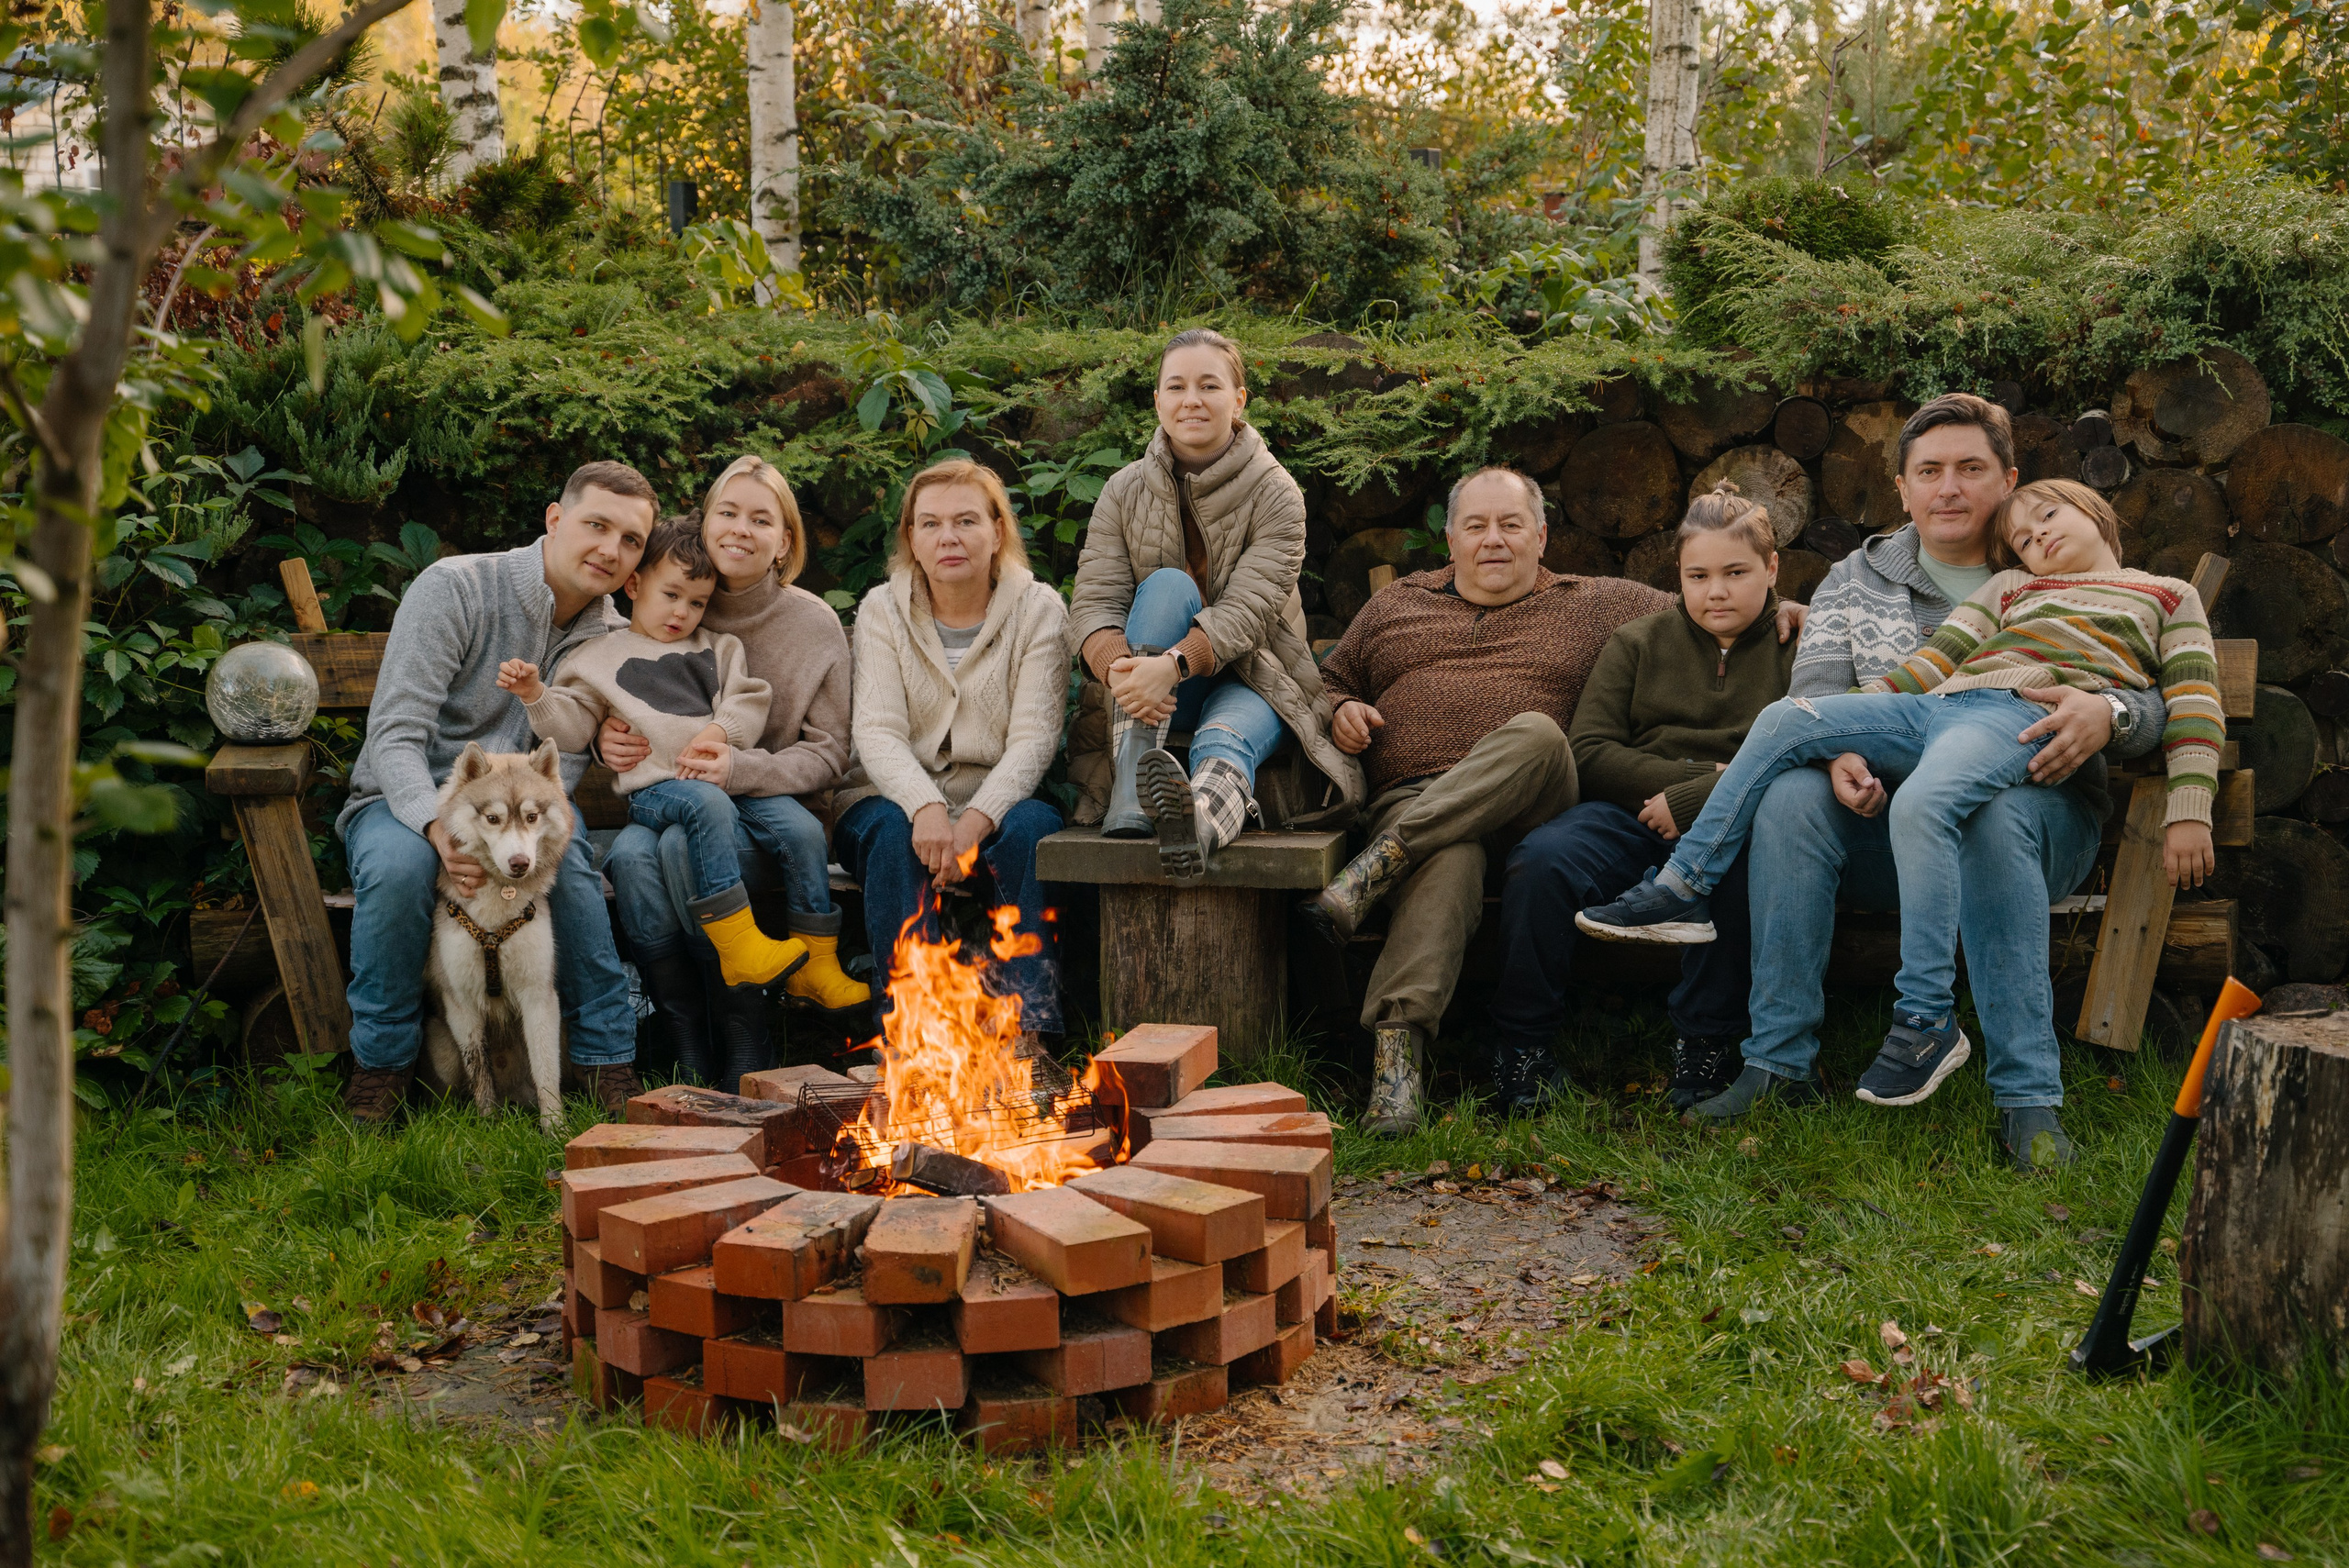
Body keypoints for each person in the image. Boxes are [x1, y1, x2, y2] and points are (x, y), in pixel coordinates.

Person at [1625, 394, 2169, 1170]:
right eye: (1930, 471)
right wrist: (1833, 758)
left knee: (1996, 815)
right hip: (1884, 823)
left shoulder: (2053, 559)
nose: (1949, 488)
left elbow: (2154, 696)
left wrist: (2107, 712)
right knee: (1789, 795)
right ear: (1903, 488)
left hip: (2036, 819)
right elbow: (1811, 695)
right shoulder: (1855, 577)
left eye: (1971, 469)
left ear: (2008, 480)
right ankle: (1777, 1061)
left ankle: (2028, 1100)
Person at [1304, 467, 1804, 1132]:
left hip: (1535, 796)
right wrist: (1338, 705)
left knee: (1540, 734)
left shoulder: (1597, 602)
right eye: (1476, 525)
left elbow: (1717, 585)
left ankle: (1377, 866)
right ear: (1448, 538)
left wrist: (1797, 609)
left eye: (1511, 524)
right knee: (1449, 860)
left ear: (1541, 537)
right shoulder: (1396, 604)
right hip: (1426, 802)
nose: (1493, 540)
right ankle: (1398, 1066)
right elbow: (1330, 674)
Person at [337, 460, 656, 1124]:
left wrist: (615, 741)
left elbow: (566, 764)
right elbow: (394, 736)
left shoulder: (612, 640)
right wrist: (437, 825)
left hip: (529, 824)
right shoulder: (456, 589)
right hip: (406, 803)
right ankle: (383, 1066)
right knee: (401, 871)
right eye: (596, 525)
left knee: (571, 879)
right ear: (555, 517)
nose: (610, 549)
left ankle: (607, 1062)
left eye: (630, 540)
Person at [1490, 482, 1798, 1114]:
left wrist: (1697, 797)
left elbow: (1805, 747)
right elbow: (1590, 751)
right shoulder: (1637, 642)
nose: (1717, 591)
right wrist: (1681, 780)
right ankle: (1522, 1048)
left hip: (1740, 821)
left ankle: (1705, 1044)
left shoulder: (1801, 646)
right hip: (1632, 813)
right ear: (1678, 576)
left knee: (1739, 866)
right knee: (1541, 859)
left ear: (1772, 569)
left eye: (1737, 572)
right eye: (1699, 574)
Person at [598, 456, 863, 1095]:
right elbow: (612, 680)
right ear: (705, 519)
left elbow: (831, 754)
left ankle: (747, 1030)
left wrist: (740, 768)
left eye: (761, 518)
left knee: (674, 847)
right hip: (673, 797)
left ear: (784, 542)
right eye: (728, 511)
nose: (741, 528)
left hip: (775, 821)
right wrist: (607, 734)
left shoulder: (814, 625)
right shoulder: (676, 594)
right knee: (634, 857)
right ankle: (686, 1031)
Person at [1067, 327, 1361, 879]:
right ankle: (1130, 794)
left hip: (1255, 673)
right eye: (1175, 387)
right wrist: (1124, 672)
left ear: (1239, 399)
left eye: (1209, 385)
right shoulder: (1121, 490)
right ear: (1157, 401)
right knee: (1168, 586)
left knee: (1225, 738)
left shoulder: (1277, 493)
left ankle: (1199, 822)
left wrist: (1171, 666)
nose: (1192, 400)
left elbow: (1248, 612)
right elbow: (1093, 603)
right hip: (1144, 683)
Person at [499, 515, 811, 988]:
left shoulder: (719, 647)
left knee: (796, 824)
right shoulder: (596, 655)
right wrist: (536, 695)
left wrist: (722, 733)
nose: (682, 613)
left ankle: (816, 959)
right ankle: (739, 939)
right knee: (694, 812)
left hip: (722, 787)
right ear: (634, 584)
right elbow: (574, 726)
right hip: (656, 789)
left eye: (697, 603)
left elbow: (749, 701)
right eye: (671, 596)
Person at [833, 459, 1071, 1041]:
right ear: (911, 537)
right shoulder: (881, 610)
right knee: (892, 837)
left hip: (997, 801)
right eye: (931, 523)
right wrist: (926, 807)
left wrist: (972, 825)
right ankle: (911, 1039)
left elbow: (1034, 739)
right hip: (887, 797)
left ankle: (1026, 1036)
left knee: (1035, 831)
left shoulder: (1039, 611)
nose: (949, 537)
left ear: (997, 532)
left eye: (966, 521)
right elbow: (879, 731)